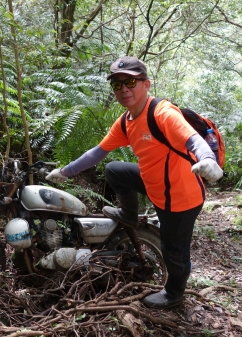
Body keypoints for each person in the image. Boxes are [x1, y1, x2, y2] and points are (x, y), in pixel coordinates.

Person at [45, 56, 223, 309]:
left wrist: (207, 159)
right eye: (117, 85)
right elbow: (98, 152)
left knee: (174, 250)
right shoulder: (126, 121)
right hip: (155, 184)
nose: (124, 89)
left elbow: (192, 140)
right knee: (115, 170)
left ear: (146, 84)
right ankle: (129, 214)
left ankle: (174, 294)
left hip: (180, 197)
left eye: (130, 81)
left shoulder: (162, 113)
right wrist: (66, 171)